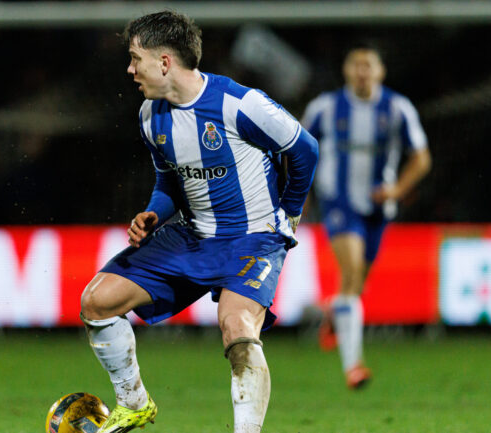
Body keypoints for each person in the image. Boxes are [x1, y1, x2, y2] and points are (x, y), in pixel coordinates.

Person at [79, 11, 318, 433]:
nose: (129, 68)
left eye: (136, 58)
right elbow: (169, 180)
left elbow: (304, 149)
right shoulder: (150, 115)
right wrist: (154, 212)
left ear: (165, 62)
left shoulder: (240, 104)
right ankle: (133, 403)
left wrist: (291, 213)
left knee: (236, 326)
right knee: (97, 301)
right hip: (192, 237)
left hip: (252, 238)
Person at [300, 42, 431, 390]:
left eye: (368, 65)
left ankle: (334, 310)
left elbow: (421, 157)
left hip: (377, 205)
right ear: (346, 71)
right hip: (339, 201)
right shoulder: (325, 107)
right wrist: (300, 197)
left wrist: (397, 190)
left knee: (356, 284)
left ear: (380, 72)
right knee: (352, 271)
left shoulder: (398, 107)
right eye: (355, 65)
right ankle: (353, 366)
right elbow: (297, 150)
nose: (362, 72)